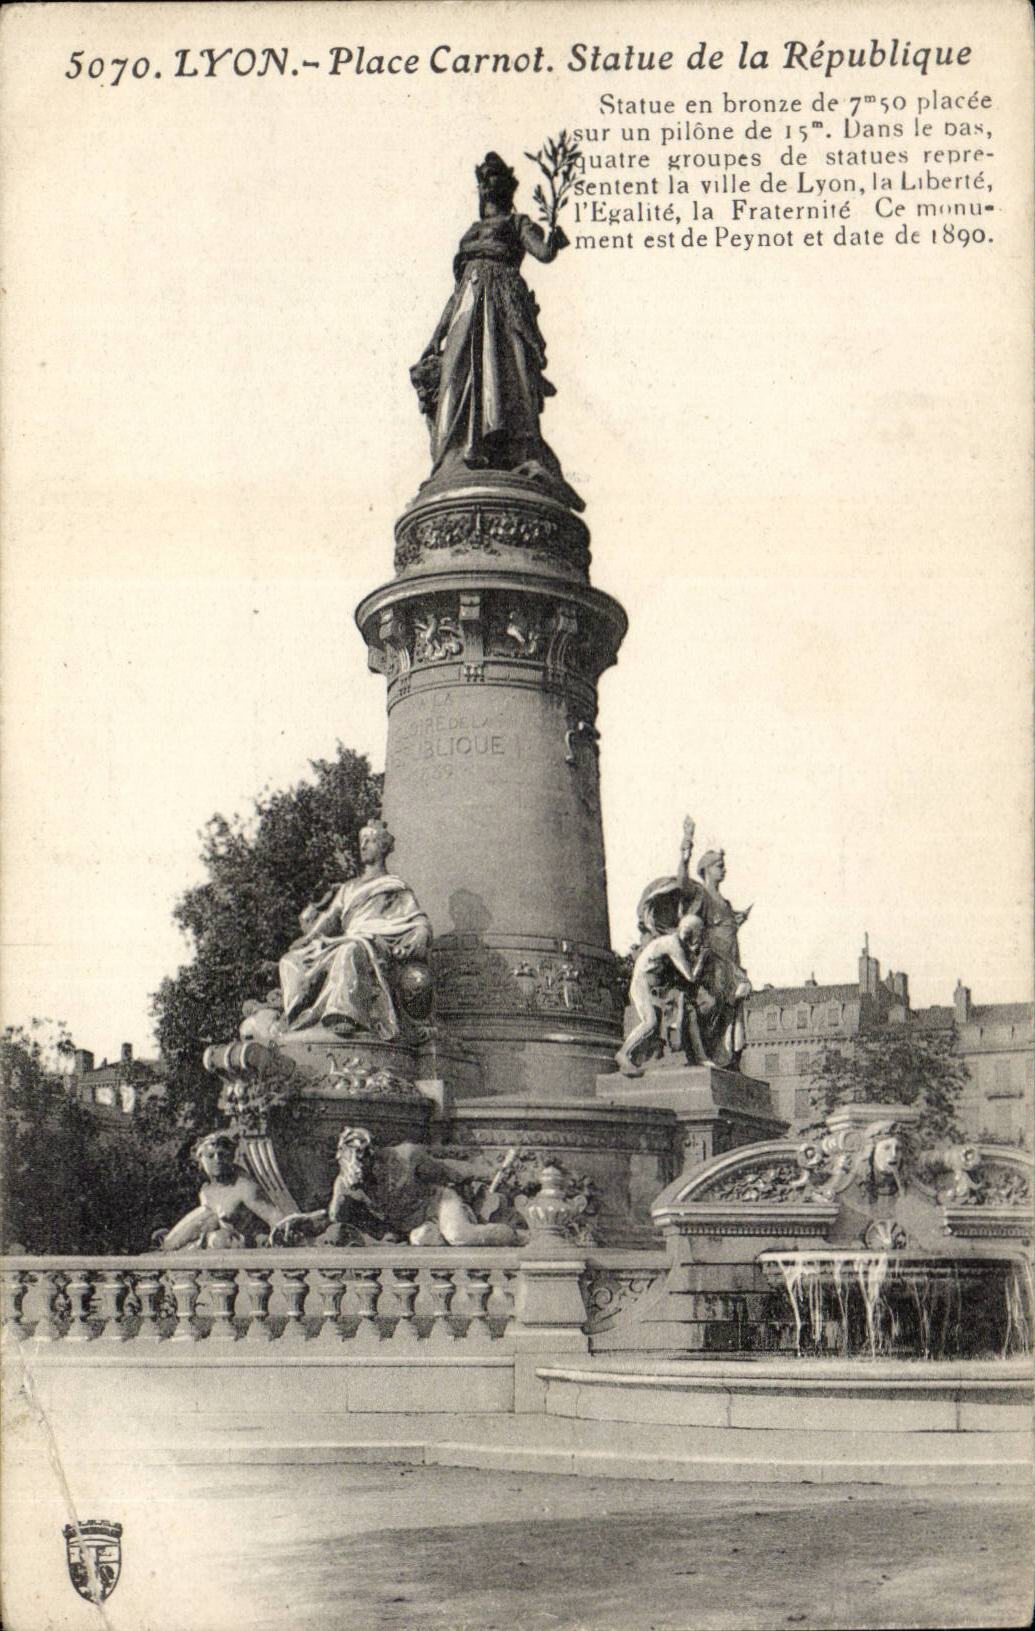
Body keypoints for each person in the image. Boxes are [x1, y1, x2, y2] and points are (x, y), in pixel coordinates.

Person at [413, 152, 580, 506]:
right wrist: (434, 338)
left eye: (494, 179)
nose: (488, 186)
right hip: (468, 305)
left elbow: (544, 253)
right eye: (484, 179)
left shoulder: (518, 222)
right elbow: (457, 293)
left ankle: (505, 449)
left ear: (506, 186)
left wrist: (553, 240)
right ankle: (459, 455)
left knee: (508, 375)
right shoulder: (470, 234)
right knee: (456, 377)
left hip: (504, 302)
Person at [278, 821, 431, 1037]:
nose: (363, 846)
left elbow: (417, 918)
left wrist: (421, 934)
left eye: (370, 841)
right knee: (290, 960)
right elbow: (331, 917)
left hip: (373, 942)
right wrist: (309, 937)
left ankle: (343, 1014)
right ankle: (296, 1017)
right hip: (345, 941)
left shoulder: (394, 886)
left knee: (350, 950)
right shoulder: (349, 887)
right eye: (362, 841)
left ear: (383, 847)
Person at [160, 1131, 288, 1250]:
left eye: (222, 1155)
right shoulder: (206, 1189)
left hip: (247, 1246)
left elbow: (274, 1217)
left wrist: (282, 1237)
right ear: (200, 1160)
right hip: (223, 1246)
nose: (217, 1160)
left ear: (231, 1157)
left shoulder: (244, 1187)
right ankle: (168, 1244)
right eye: (210, 1156)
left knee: (218, 1238)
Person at [616, 912, 707, 1077]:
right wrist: (702, 958)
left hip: (651, 986)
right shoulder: (673, 945)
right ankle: (623, 1054)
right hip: (642, 984)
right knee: (650, 1021)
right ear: (689, 933)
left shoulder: (672, 941)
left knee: (666, 1017)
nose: (699, 940)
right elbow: (691, 977)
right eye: (698, 935)